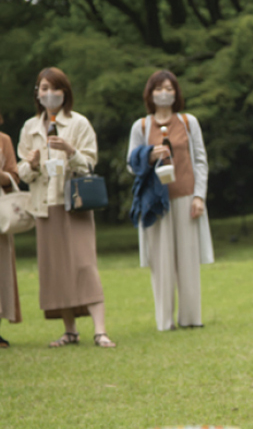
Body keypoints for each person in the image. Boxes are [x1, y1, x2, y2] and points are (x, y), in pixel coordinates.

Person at [17, 67, 115, 347]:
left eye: (54, 88)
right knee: (55, 268)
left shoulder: (79, 124)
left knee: (85, 264)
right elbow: (23, 172)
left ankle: (100, 330)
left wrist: (71, 151)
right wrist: (32, 164)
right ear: (37, 93)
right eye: (43, 88)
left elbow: (90, 163)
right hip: (45, 205)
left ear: (65, 92)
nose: (49, 94)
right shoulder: (29, 127)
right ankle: (69, 330)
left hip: (76, 202)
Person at [127, 70, 214, 332]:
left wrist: (199, 196)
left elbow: (200, 161)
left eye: (169, 88)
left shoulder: (188, 122)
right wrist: (150, 155)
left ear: (176, 93)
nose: (164, 93)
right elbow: (131, 164)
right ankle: (165, 321)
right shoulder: (141, 126)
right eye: (158, 88)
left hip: (186, 196)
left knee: (188, 260)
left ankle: (191, 318)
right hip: (156, 201)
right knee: (161, 262)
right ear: (150, 94)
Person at [0, 117, 22, 346]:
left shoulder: (3, 140)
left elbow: (14, 176)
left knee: (1, 268)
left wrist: (2, 177)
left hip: (1, 213)